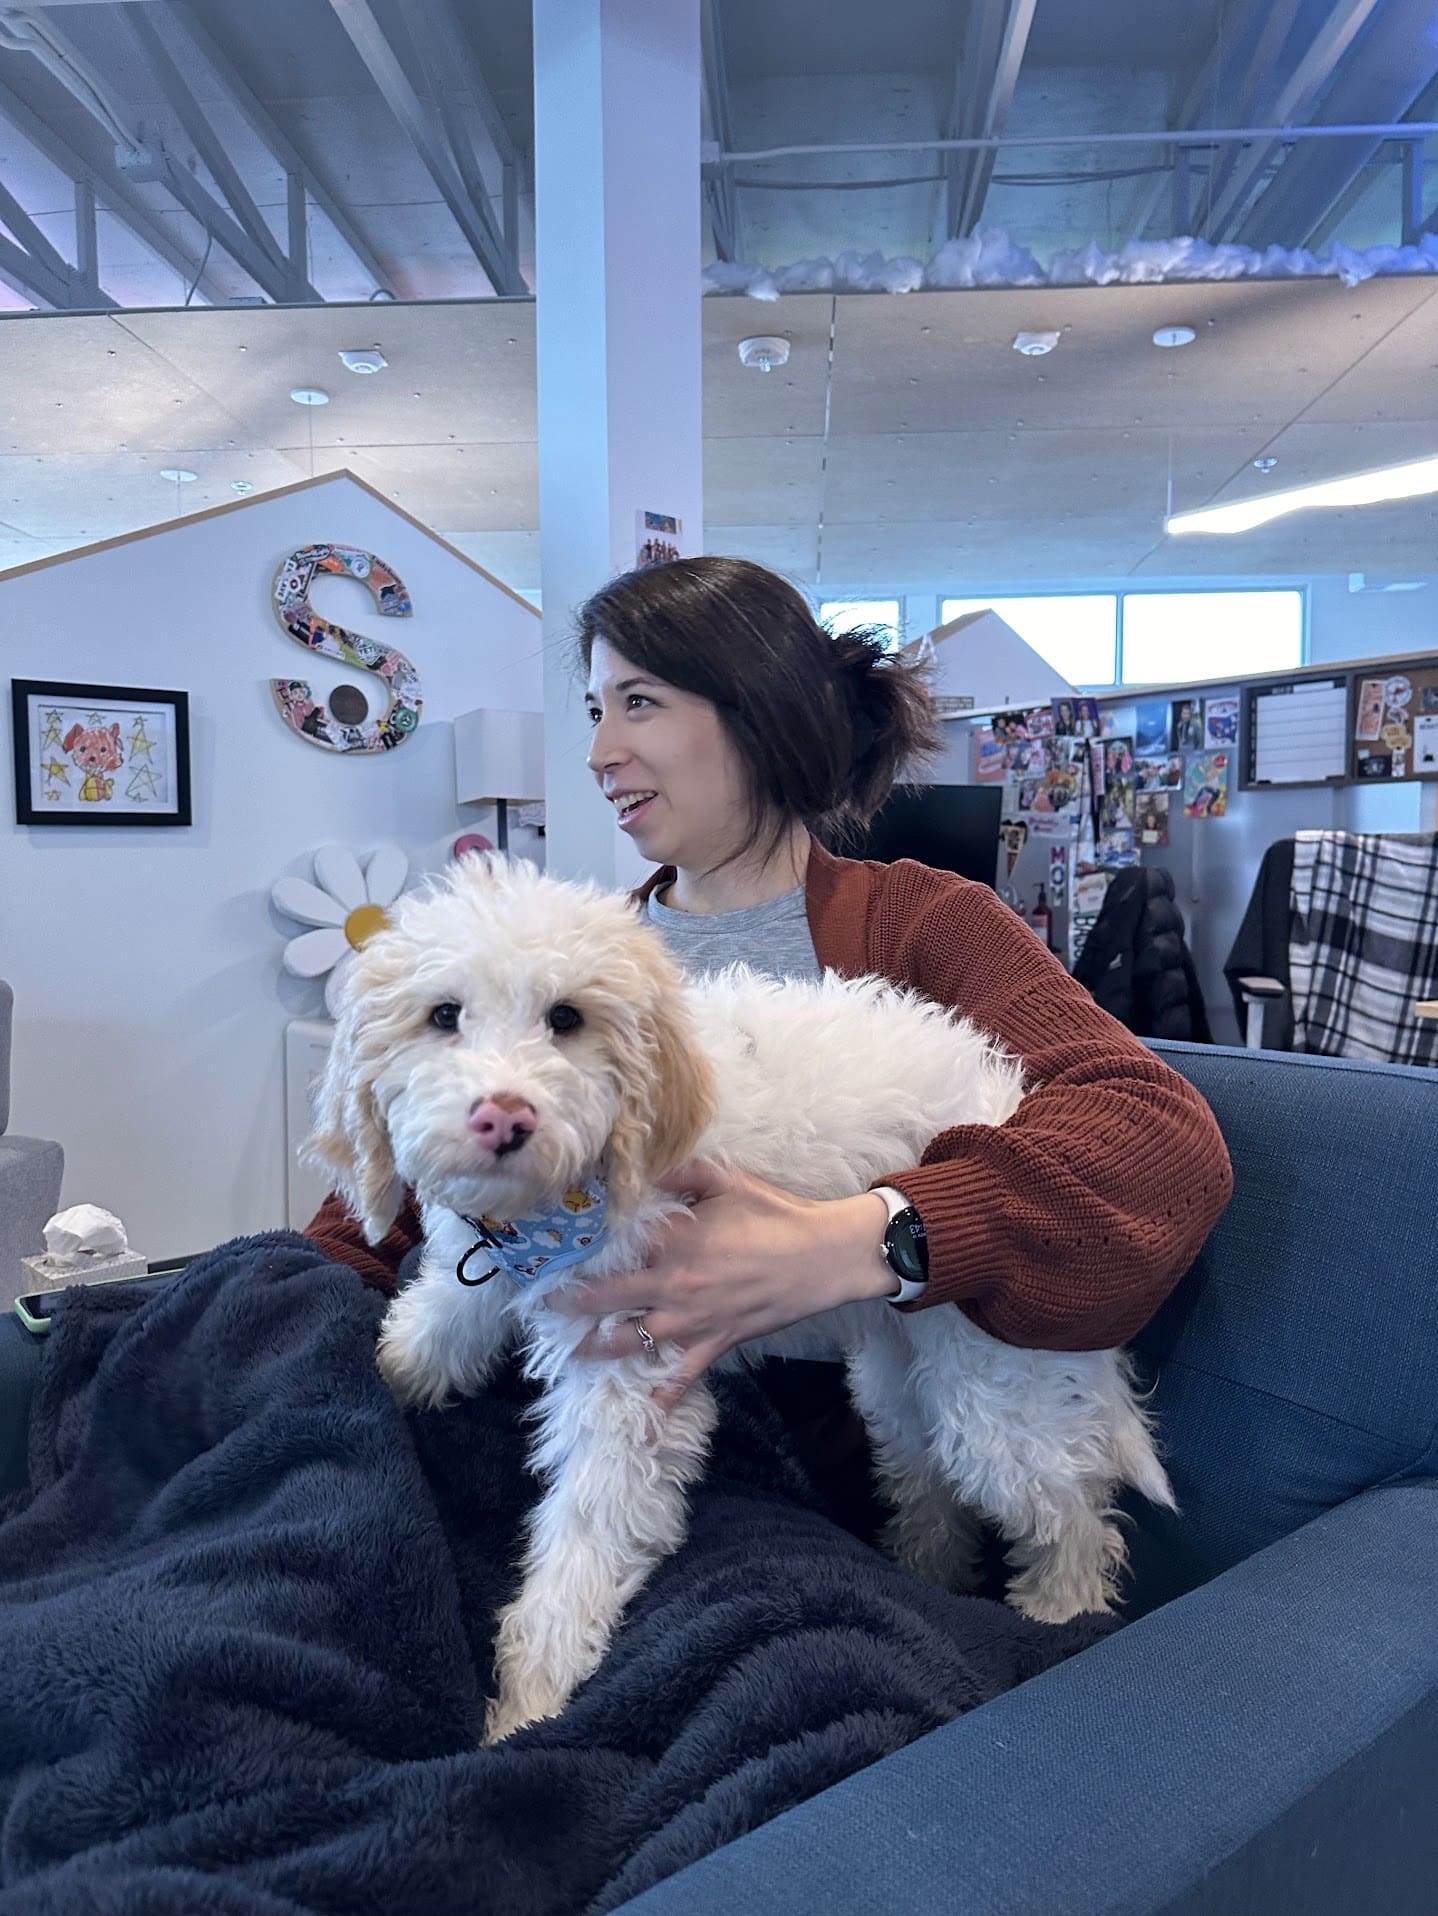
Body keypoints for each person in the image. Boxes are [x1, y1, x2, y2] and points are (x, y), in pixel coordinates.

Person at [306, 557, 1232, 1491]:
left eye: (639, 702)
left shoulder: (924, 923)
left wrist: (861, 1242)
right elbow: (399, 1196)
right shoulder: (578, 961)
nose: (597, 753)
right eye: (595, 711)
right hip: (564, 1410)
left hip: (810, 1454)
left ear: (758, 711)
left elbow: (1154, 1136)